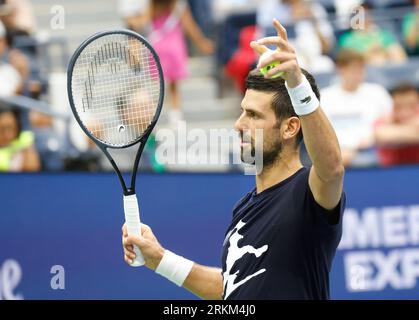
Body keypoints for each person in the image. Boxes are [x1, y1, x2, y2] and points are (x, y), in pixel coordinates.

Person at [122, 19, 346, 300]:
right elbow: (232, 286)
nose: (239, 124)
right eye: (242, 112)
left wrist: (297, 83)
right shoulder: (244, 208)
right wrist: (159, 259)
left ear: (290, 127)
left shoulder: (308, 193)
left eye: (253, 115)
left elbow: (333, 168)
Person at [321, 49, 392, 167]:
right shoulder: (325, 97)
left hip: (372, 150)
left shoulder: (377, 92)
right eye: (353, 69)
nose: (358, 74)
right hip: (336, 153)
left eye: (361, 69)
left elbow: (389, 122)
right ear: (340, 69)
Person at [339, 2, 407, 65]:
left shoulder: (382, 34)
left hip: (385, 66)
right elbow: (349, 60)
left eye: (368, 13)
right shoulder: (347, 39)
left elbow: (400, 55)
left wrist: (382, 53)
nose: (365, 17)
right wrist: (369, 54)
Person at [375, 83, 419, 166]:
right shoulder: (385, 119)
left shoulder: (389, 123)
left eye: (411, 106)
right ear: (393, 106)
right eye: (399, 106)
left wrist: (396, 127)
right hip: (390, 172)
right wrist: (413, 128)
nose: (405, 112)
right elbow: (381, 135)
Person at [0, 106, 40, 172]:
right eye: (2, 129)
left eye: (11, 128)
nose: (7, 135)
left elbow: (32, 169)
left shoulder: (25, 139)